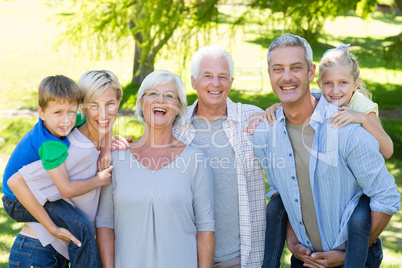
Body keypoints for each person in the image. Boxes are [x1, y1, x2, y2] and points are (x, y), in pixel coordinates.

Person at [252, 34, 400, 267]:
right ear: (269, 74)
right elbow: (281, 192)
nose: (287, 76)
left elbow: (386, 197)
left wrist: (348, 254)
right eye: (278, 69)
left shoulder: (347, 128)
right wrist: (293, 243)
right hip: (305, 260)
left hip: (355, 259)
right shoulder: (263, 134)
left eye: (296, 68)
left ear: (311, 73)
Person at [113, 46, 267, 267]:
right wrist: (117, 145)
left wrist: (279, 108)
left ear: (231, 82)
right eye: (207, 76)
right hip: (183, 257)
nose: (215, 83)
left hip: (238, 259)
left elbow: (292, 116)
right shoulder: (174, 121)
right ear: (193, 81)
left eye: (222, 76)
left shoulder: (252, 120)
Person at [95, 69, 215, 268]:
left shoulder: (196, 160)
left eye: (169, 96)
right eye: (153, 94)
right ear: (141, 103)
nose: (161, 100)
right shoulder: (116, 158)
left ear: (179, 107)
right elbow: (105, 224)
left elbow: (206, 228)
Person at [6, 70, 122, 267]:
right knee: (82, 227)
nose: (66, 120)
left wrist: (106, 149)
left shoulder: (73, 123)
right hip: (17, 207)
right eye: (93, 105)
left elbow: (104, 121)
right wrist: (51, 227)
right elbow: (16, 182)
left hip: (48, 253)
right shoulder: (58, 147)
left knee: (80, 228)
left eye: (110, 104)